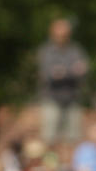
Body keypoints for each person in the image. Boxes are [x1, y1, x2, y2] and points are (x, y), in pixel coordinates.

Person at [38, 18, 88, 146]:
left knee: (74, 139)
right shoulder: (46, 51)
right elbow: (49, 74)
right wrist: (71, 71)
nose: (62, 37)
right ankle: (51, 165)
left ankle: (71, 165)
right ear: (52, 34)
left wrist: (62, 72)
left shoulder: (75, 50)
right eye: (59, 34)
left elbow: (82, 70)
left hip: (72, 99)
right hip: (52, 99)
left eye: (65, 34)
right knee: (50, 138)